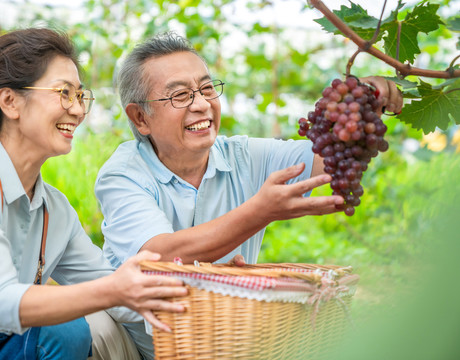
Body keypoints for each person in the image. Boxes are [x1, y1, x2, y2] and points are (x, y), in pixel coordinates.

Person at [94, 31, 404, 359]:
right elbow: (160, 256)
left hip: (222, 343)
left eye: (207, 88)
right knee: (93, 329)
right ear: (140, 117)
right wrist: (261, 211)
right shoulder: (123, 174)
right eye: (180, 95)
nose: (201, 104)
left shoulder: (244, 156)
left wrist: (364, 97)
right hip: (138, 345)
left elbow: (327, 158)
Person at [0, 27, 188, 360]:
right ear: (10, 102)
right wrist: (115, 289)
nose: (77, 110)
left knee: (63, 332)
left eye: (79, 96)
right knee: (65, 329)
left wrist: (202, 306)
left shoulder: (54, 211)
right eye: (63, 93)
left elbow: (119, 293)